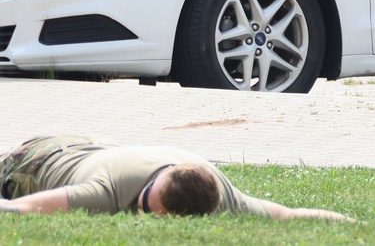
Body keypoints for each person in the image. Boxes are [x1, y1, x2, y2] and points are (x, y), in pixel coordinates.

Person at [0, 135, 351, 220]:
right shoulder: (106, 192)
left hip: (95, 147)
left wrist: (352, 223)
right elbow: (21, 207)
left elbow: (287, 214)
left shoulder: (222, 195)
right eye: (143, 206)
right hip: (38, 160)